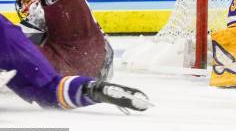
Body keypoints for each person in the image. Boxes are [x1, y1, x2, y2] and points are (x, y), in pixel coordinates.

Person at [0, 14, 151, 111]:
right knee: (51, 89)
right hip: (6, 33)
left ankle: (91, 90)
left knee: (50, 90)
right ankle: (92, 90)